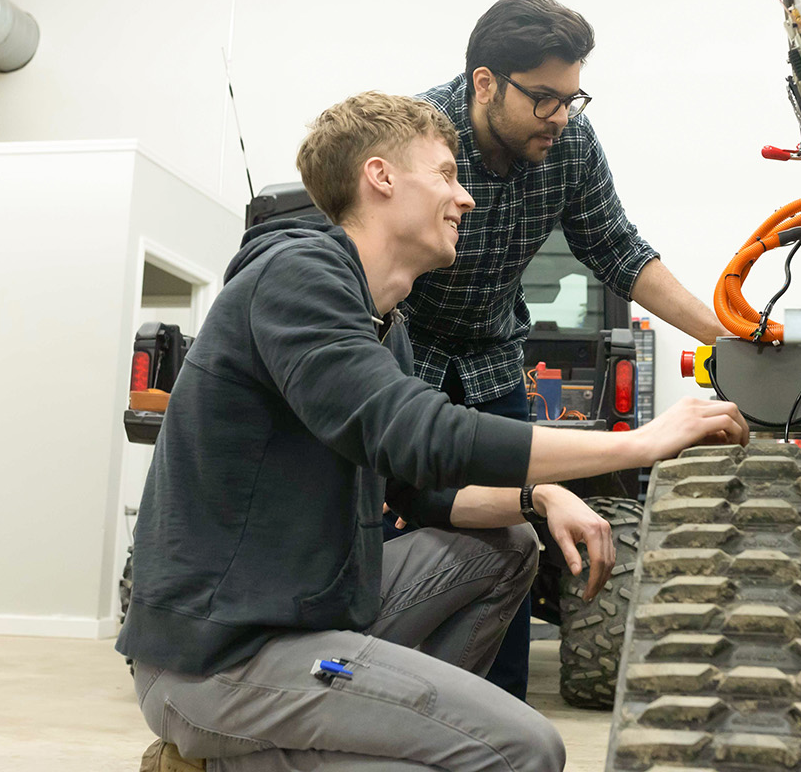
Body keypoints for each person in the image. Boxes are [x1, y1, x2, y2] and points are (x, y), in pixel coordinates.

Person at [119, 91, 748, 772]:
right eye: (446, 174)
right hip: (220, 658)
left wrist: (539, 498)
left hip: (309, 618)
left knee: (504, 547)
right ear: (381, 176)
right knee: (524, 748)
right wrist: (638, 443)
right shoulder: (296, 276)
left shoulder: (386, 324)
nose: (466, 198)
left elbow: (421, 494)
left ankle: (367, 733)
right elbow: (412, 430)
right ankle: (232, 758)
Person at [401, 0, 733, 698]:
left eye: (573, 99)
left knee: (515, 534)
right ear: (485, 83)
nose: (561, 117)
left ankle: (499, 702)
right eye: (545, 99)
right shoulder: (421, 139)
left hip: (491, 361)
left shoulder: (570, 145)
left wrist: (729, 338)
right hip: (405, 359)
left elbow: (617, 248)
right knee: (396, 519)